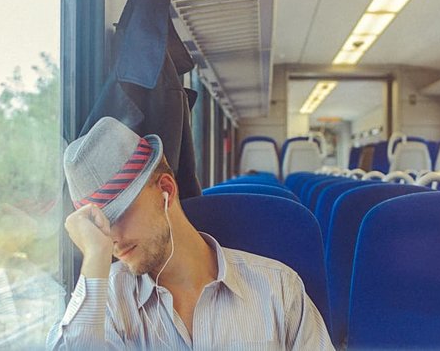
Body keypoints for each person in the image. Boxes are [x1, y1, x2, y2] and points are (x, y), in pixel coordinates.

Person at [47, 116, 334, 350]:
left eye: (119, 214)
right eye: (99, 227)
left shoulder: (278, 289)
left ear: (166, 191)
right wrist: (95, 256)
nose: (112, 237)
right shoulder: (106, 301)